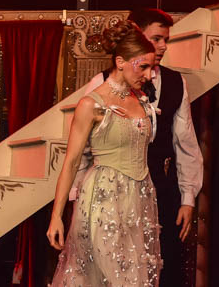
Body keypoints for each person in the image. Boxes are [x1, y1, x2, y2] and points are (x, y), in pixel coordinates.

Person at [78, 8, 202, 286]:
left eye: (166, 40)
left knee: (160, 266)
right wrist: (79, 199)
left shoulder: (175, 83)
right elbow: (82, 151)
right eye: (156, 39)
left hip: (159, 186)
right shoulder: (101, 84)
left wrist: (187, 198)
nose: (163, 46)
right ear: (137, 36)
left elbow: (186, 143)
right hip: (112, 193)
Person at [48, 21, 161, 285]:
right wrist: (56, 217)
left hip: (139, 199)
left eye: (151, 68)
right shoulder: (91, 104)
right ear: (120, 62)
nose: (148, 75)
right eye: (143, 67)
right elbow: (71, 162)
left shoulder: (141, 100)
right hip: (103, 198)